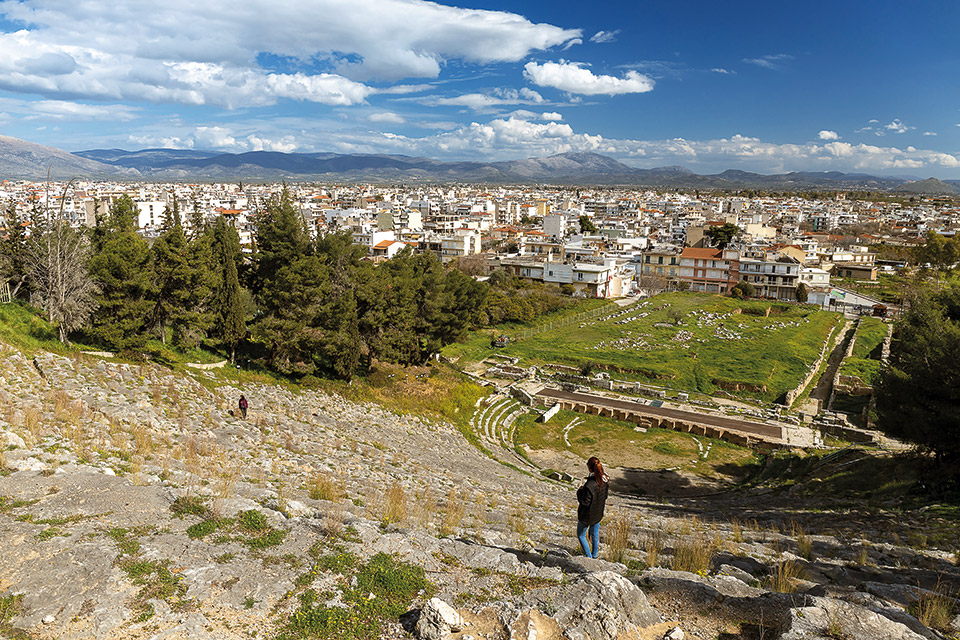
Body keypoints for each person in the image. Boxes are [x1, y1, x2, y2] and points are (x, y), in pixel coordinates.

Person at [576, 456, 608, 559]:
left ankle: (588, 557)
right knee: (594, 535)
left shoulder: (589, 485)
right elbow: (605, 496)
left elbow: (585, 502)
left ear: (590, 468)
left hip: (587, 516)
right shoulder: (605, 481)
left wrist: (580, 492)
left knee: (581, 535)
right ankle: (594, 555)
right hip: (598, 513)